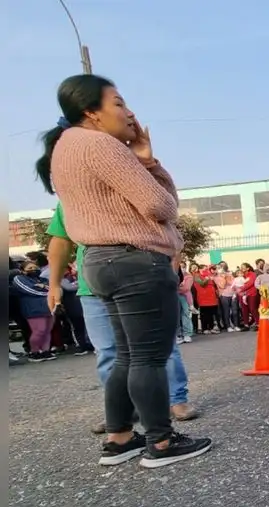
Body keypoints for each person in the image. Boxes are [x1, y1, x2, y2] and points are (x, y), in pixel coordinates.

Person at [37, 73, 210, 467]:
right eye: (118, 103)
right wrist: (149, 162)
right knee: (149, 356)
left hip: (98, 261)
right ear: (91, 113)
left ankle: (120, 438)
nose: (129, 112)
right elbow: (161, 206)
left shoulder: (66, 148)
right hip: (135, 260)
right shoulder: (100, 145)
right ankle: (161, 443)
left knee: (127, 356)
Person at [46, 203, 200, 433]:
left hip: (142, 279)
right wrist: (54, 284)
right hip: (94, 285)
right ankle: (121, 413)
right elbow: (60, 240)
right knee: (107, 351)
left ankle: (175, 400)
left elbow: (168, 231)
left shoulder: (128, 182)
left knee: (159, 347)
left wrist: (169, 271)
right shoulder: (70, 196)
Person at [11, 261, 56, 362]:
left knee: (47, 331)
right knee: (39, 331)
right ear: (23, 270)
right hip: (33, 309)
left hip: (49, 308)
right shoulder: (19, 279)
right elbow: (30, 290)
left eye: (35, 267)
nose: (33, 269)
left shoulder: (43, 279)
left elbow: (54, 289)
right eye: (30, 268)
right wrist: (46, 291)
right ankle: (34, 352)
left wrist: (44, 287)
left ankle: (45, 351)